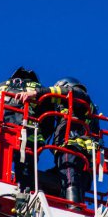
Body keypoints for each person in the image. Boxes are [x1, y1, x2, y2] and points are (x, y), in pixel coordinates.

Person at [15, 77, 100, 205]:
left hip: (72, 148)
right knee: (53, 178)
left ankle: (74, 206)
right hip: (77, 155)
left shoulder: (79, 96)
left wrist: (37, 93)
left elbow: (64, 93)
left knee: (69, 174)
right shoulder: (80, 106)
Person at [0, 67, 52, 191]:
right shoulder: (40, 91)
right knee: (25, 173)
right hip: (27, 136)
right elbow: (49, 122)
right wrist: (41, 137)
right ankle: (25, 193)